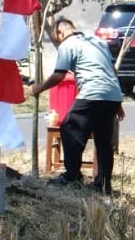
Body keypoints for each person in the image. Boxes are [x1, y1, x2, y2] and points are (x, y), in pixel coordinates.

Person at [29, 18, 125, 193]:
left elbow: (58, 76)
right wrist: (118, 103)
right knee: (103, 140)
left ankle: (72, 176)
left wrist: (39, 88)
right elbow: (113, 71)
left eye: (56, 39)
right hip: (112, 94)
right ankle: (103, 185)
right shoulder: (98, 42)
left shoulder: (68, 44)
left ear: (60, 33)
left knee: (69, 129)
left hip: (92, 92)